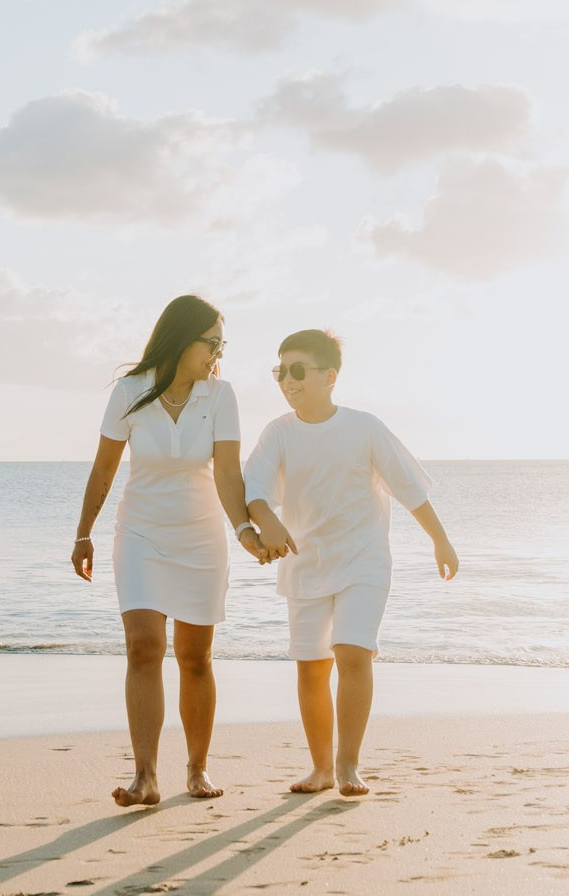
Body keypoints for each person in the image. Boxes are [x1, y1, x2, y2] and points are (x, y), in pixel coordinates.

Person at [243, 328, 458, 798]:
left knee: (353, 651)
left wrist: (440, 540)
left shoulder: (364, 427)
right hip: (305, 565)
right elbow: (253, 488)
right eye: (281, 372)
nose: (288, 381)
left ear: (330, 376)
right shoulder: (278, 432)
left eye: (298, 370)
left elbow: (409, 489)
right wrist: (265, 524)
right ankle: (319, 769)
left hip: (364, 562)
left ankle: (347, 766)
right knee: (311, 667)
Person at [71, 294, 261, 808]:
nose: (218, 353)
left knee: (195, 657)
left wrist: (244, 528)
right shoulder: (130, 392)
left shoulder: (221, 396)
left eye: (223, 344)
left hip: (200, 536)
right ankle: (146, 777)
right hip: (140, 534)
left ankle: (197, 769)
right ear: (182, 339)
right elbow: (104, 469)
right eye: (211, 343)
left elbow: (227, 474)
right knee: (143, 646)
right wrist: (83, 532)